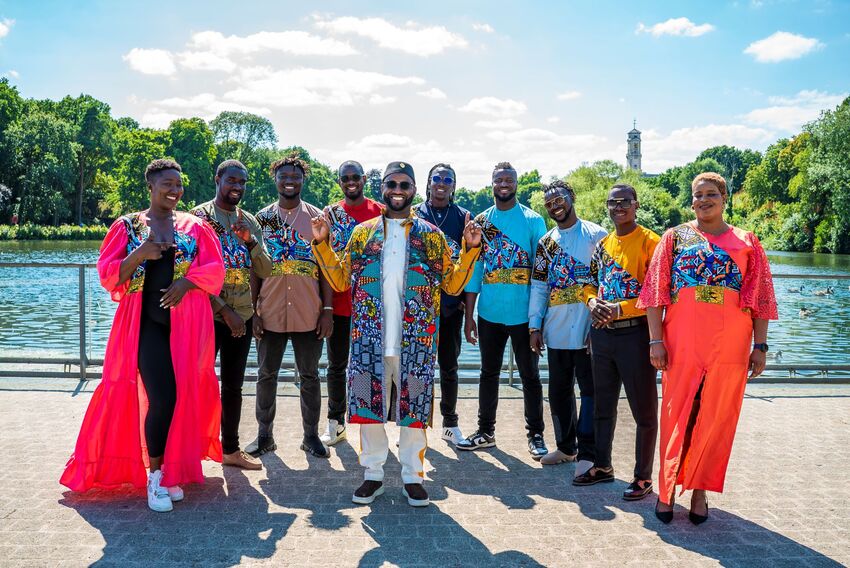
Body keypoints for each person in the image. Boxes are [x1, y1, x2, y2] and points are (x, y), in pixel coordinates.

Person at [311, 161, 482, 507]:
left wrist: (470, 249)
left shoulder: (431, 237)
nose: (398, 191)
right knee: (367, 406)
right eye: (392, 184)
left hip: (416, 342)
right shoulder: (363, 233)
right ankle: (372, 475)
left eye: (405, 184)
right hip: (368, 339)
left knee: (414, 408)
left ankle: (412, 476)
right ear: (383, 188)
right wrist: (323, 243)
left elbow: (452, 283)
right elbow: (341, 280)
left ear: (414, 190)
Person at [61, 159, 225, 513]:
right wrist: (140, 253)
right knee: (162, 398)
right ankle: (154, 476)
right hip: (142, 324)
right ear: (150, 186)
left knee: (181, 397)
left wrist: (187, 281)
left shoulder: (195, 226)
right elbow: (109, 275)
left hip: (186, 325)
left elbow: (215, 270)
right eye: (167, 183)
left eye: (179, 184)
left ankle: (170, 472)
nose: (174, 190)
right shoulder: (128, 226)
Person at [637, 172, 778, 524]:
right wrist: (656, 340)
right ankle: (667, 490)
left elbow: (760, 299)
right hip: (682, 340)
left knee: (715, 416)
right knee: (676, 413)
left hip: (731, 343)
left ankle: (699, 491)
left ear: (724, 197)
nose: (703, 200)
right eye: (697, 195)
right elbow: (654, 295)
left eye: (711, 194)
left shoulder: (747, 241)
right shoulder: (675, 238)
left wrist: (759, 346)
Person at [572, 183, 660, 501]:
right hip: (602, 334)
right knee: (602, 405)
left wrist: (620, 308)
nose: (618, 207)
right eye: (612, 202)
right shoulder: (604, 245)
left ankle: (642, 477)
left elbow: (659, 295)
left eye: (624, 201)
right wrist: (593, 302)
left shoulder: (653, 243)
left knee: (644, 410)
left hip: (636, 334)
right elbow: (586, 283)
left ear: (636, 204)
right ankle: (602, 465)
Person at [457, 162, 549, 460]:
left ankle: (536, 435)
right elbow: (474, 272)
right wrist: (469, 316)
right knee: (488, 373)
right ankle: (485, 431)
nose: (504, 184)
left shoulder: (534, 221)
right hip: (490, 314)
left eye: (509, 179)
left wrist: (539, 319)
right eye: (499, 179)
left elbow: (542, 272)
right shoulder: (481, 222)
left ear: (517, 184)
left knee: (530, 376)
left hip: (524, 316)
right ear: (492, 183)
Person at [247, 154, 334, 459]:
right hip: (269, 310)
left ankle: (310, 436)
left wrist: (327, 311)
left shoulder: (316, 219)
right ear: (275, 179)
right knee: (265, 374)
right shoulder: (261, 219)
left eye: (295, 176)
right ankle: (264, 436)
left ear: (303, 179)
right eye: (284, 175)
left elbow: (327, 267)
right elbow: (254, 267)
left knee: (309, 376)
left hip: (308, 311)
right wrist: (253, 311)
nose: (289, 181)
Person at [192, 159, 272, 471]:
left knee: (234, 387)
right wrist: (224, 311)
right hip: (209, 316)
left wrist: (250, 242)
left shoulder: (249, 221)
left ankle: (230, 450)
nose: (237, 187)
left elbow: (266, 269)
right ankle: (188, 448)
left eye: (242, 182)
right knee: (195, 381)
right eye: (231, 181)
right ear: (217, 179)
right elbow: (191, 273)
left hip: (242, 316)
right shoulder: (199, 219)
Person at [528, 181, 606, 475]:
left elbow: (607, 281)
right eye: (549, 203)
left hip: (589, 326)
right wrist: (535, 326)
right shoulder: (545, 243)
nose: (554, 206)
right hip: (556, 326)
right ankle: (565, 447)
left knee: (590, 391)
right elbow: (538, 286)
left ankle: (589, 450)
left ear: (571, 198)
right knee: (559, 391)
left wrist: (599, 324)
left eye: (559, 199)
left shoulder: (597, 235)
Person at [320, 160, 383, 447]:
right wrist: (327, 307)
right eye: (345, 178)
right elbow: (324, 262)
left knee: (367, 367)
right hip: (341, 304)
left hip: (371, 307)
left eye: (355, 177)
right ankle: (336, 420)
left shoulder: (380, 212)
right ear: (339, 181)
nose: (350, 182)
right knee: (337, 365)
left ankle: (366, 419)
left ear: (364, 179)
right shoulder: (330, 214)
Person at [413, 163, 472, 445]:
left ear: (453, 185)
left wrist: (465, 302)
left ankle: (450, 423)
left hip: (449, 305)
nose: (441, 182)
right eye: (436, 178)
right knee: (416, 367)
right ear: (428, 183)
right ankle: (414, 424)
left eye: (447, 179)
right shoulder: (414, 215)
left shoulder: (462, 217)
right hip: (416, 306)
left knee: (449, 366)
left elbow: (471, 264)